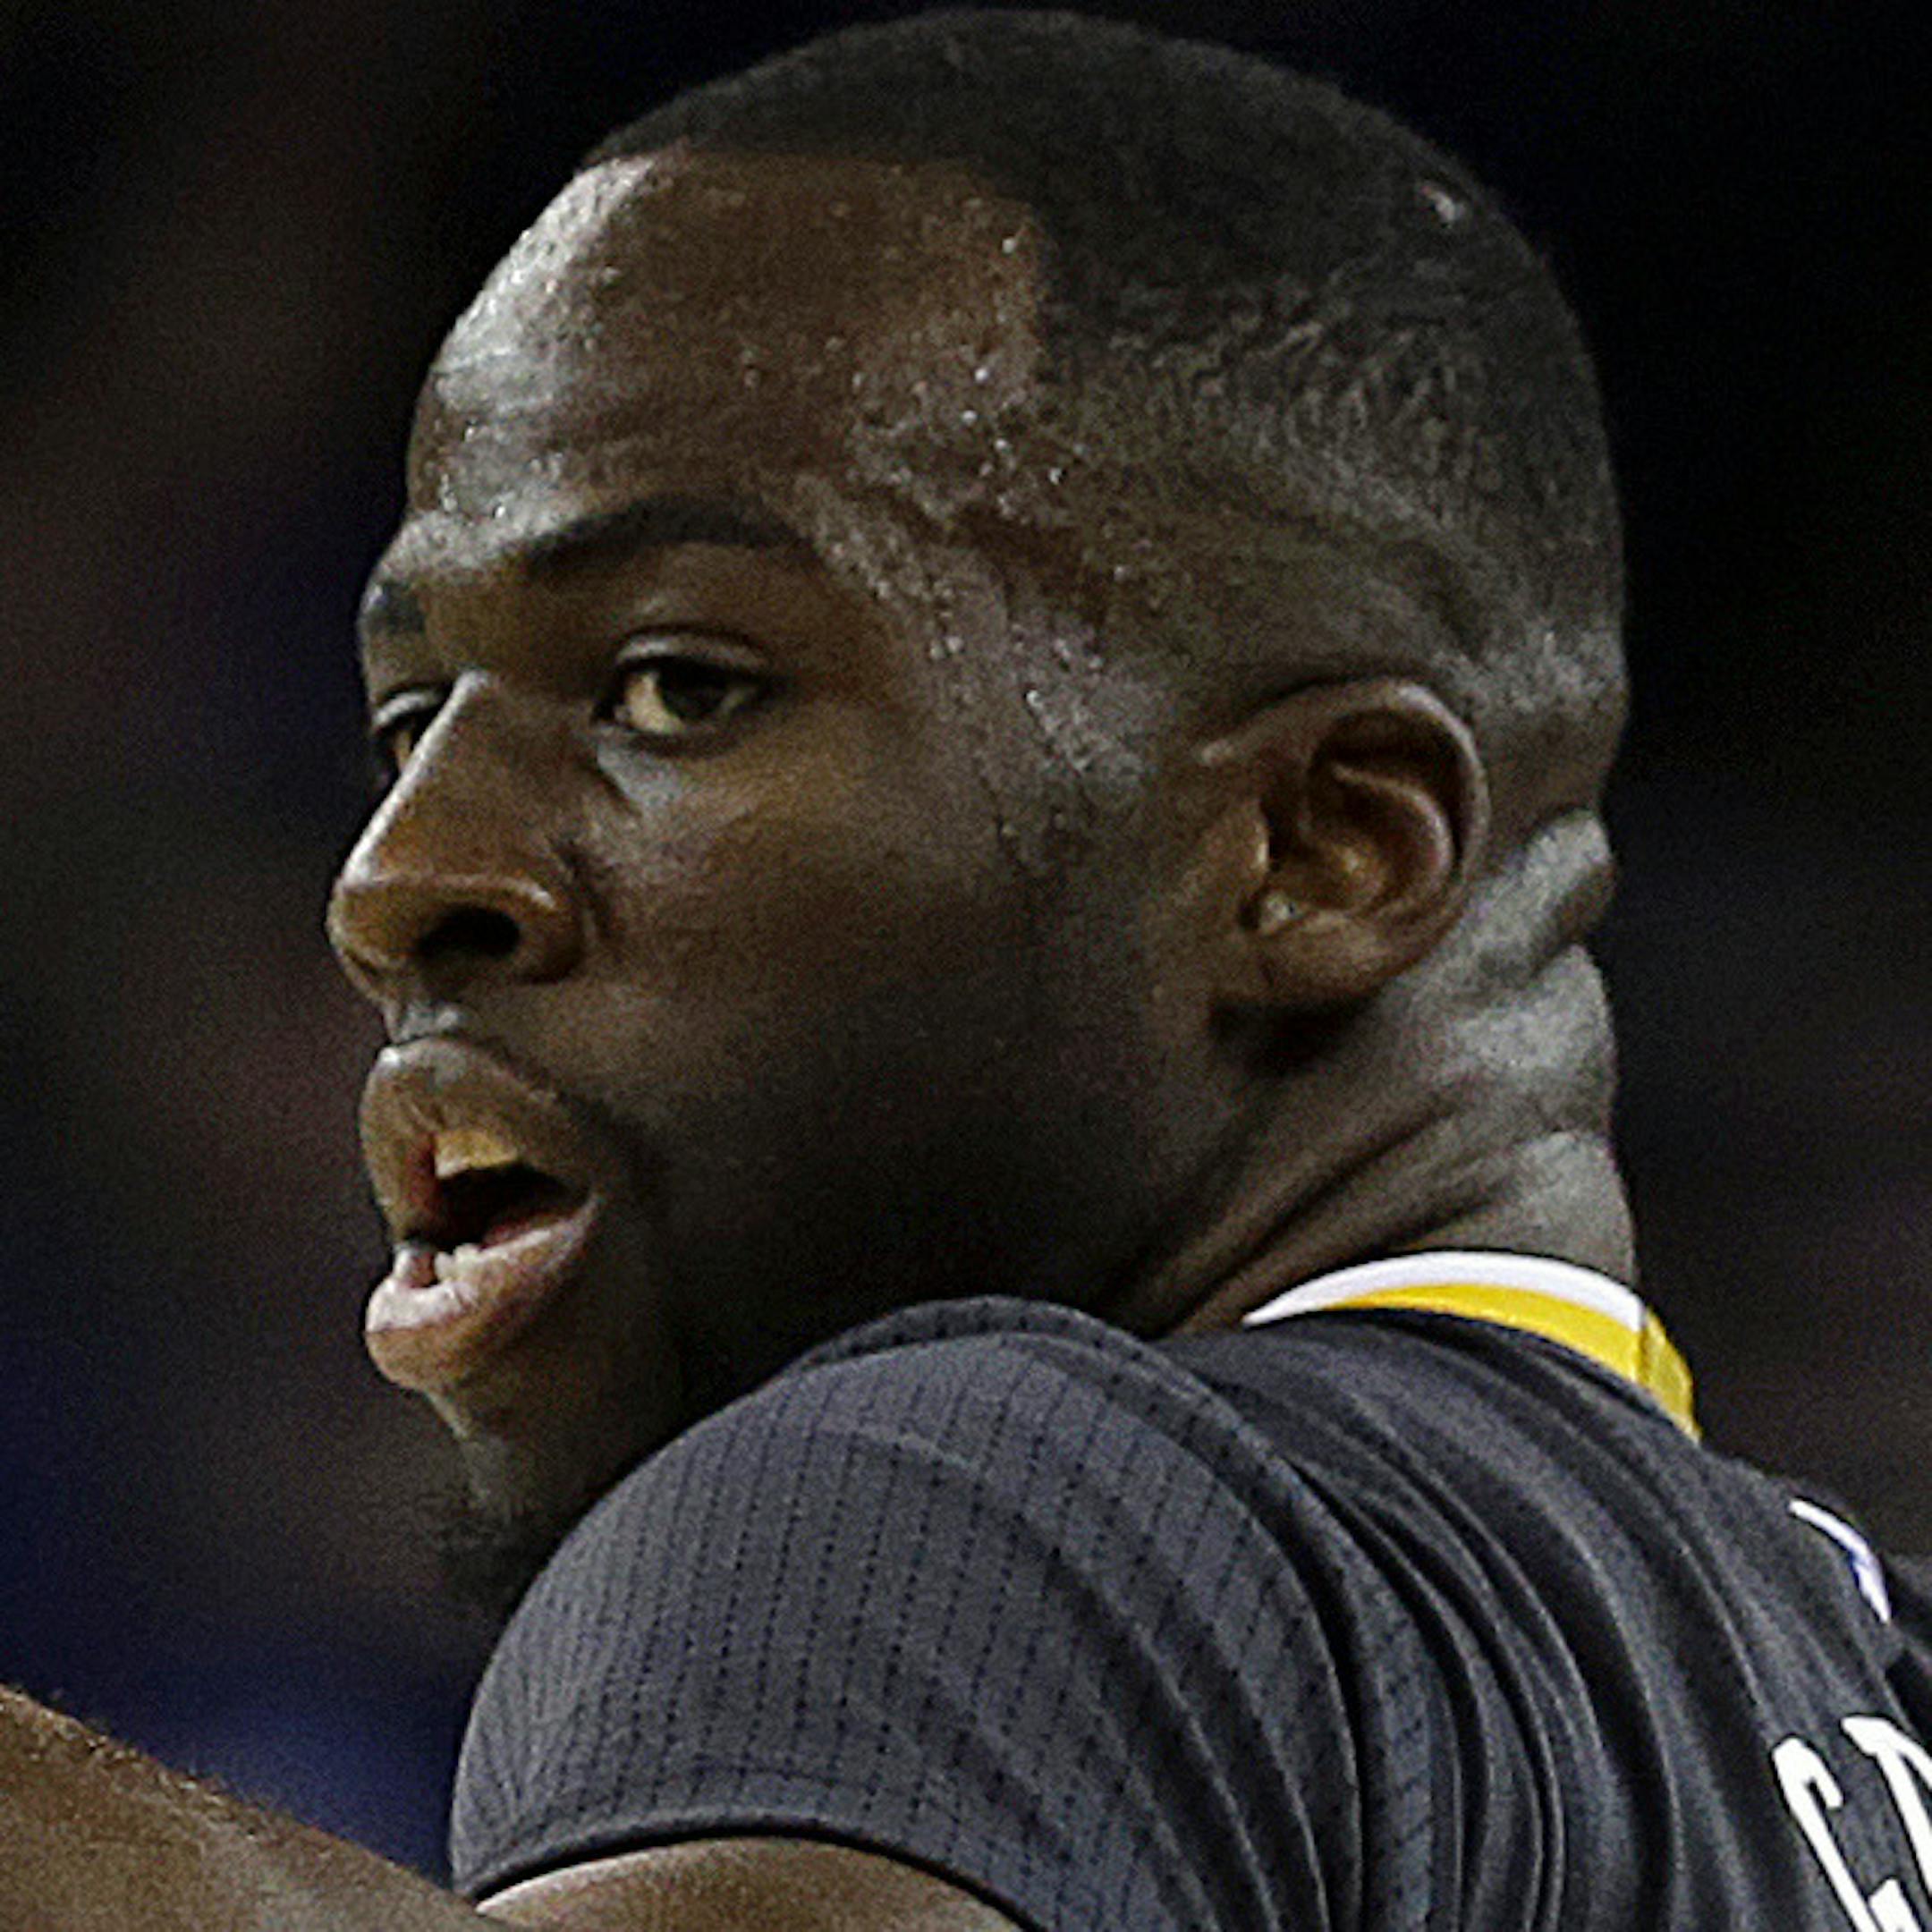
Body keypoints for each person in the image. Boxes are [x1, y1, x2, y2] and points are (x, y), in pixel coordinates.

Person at [4, 9, 1928, 1928]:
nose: (396, 880)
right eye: (406, 721)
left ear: (1322, 849)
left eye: (678, 687)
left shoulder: (983, 1502)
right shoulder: (1867, 1688)